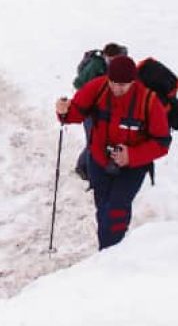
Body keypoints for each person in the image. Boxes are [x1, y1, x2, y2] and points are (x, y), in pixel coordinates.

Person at [55, 55, 171, 249]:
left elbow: (162, 143)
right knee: (103, 210)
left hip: (132, 168)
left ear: (133, 81)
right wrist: (63, 111)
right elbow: (75, 113)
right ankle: (108, 253)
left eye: (123, 85)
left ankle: (110, 257)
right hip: (99, 161)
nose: (117, 89)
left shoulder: (148, 101)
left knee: (116, 211)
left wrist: (132, 156)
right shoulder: (97, 88)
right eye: (113, 83)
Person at [71, 43, 129, 179]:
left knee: (102, 141)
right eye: (110, 60)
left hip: (106, 110)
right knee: (93, 141)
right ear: (105, 56)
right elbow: (78, 83)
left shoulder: (123, 64)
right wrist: (92, 91)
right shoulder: (95, 66)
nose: (113, 62)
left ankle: (93, 167)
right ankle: (82, 168)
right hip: (91, 110)